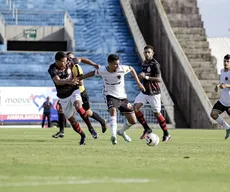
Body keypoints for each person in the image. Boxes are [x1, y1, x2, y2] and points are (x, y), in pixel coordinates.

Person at [77, 54, 145, 145]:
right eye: (115, 64)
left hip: (123, 97)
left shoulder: (122, 68)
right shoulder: (103, 70)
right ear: (109, 63)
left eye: (118, 63)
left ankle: (121, 132)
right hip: (110, 95)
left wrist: (139, 83)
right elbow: (92, 73)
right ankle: (113, 136)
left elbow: (131, 69)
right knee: (113, 110)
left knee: (133, 121)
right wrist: (80, 78)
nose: (117, 66)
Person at [48, 51, 90, 145]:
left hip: (74, 90)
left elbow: (81, 59)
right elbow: (57, 81)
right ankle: (83, 135)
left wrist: (94, 64)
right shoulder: (52, 68)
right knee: (72, 120)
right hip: (63, 96)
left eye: (66, 61)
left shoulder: (70, 61)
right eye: (63, 61)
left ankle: (90, 127)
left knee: (78, 105)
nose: (65, 63)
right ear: (57, 61)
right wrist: (69, 81)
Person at [133, 45, 171, 142]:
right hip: (145, 92)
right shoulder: (144, 63)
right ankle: (146, 128)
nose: (147, 54)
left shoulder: (155, 64)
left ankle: (166, 133)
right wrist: (141, 77)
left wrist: (145, 77)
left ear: (152, 53)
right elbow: (145, 75)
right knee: (135, 108)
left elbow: (159, 79)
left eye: (149, 52)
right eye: (145, 52)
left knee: (157, 113)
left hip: (154, 93)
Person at [67, 52, 107, 134]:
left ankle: (101, 122)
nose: (71, 60)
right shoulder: (65, 67)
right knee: (70, 112)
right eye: (68, 58)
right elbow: (83, 59)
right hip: (71, 93)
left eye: (72, 58)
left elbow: (80, 82)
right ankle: (62, 131)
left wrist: (68, 82)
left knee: (88, 113)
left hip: (80, 92)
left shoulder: (76, 66)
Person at [210, 54, 230, 139]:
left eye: (228, 61)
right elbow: (222, 83)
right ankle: (227, 128)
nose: (225, 63)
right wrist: (218, 86)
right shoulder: (222, 71)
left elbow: (226, 84)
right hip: (222, 101)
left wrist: (226, 85)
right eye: (224, 61)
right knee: (213, 114)